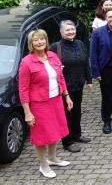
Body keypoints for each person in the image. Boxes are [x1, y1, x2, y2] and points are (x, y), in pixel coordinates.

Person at [19, 29, 73, 179]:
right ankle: (43, 165)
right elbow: (23, 89)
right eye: (35, 40)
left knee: (55, 131)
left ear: (46, 40)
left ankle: (53, 157)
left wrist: (66, 96)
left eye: (42, 39)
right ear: (31, 43)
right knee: (42, 136)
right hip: (39, 104)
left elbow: (60, 78)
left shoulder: (53, 56)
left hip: (55, 100)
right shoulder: (26, 62)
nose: (39, 42)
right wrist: (27, 112)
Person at [49, 21, 92, 153]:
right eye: (67, 30)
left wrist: (89, 79)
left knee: (77, 111)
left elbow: (86, 62)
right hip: (64, 88)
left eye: (72, 29)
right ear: (61, 32)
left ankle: (77, 134)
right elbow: (48, 65)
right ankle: (67, 141)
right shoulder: (55, 47)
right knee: (66, 114)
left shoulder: (79, 43)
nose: (70, 32)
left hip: (78, 84)